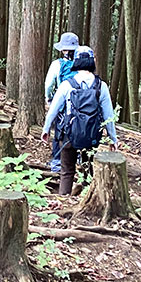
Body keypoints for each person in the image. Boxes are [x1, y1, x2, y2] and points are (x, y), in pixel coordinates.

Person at [41, 46, 119, 196]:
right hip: (91, 136)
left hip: (68, 135)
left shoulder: (67, 85)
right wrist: (112, 139)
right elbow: (108, 115)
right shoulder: (101, 86)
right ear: (92, 62)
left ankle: (63, 199)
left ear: (75, 62)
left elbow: (53, 110)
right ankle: (86, 200)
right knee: (87, 170)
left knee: (67, 170)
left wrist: (46, 130)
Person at [44, 32, 80, 172]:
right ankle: (78, 161)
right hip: (81, 105)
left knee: (59, 132)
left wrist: (49, 98)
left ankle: (57, 162)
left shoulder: (57, 64)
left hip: (63, 104)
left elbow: (48, 85)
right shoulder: (83, 63)